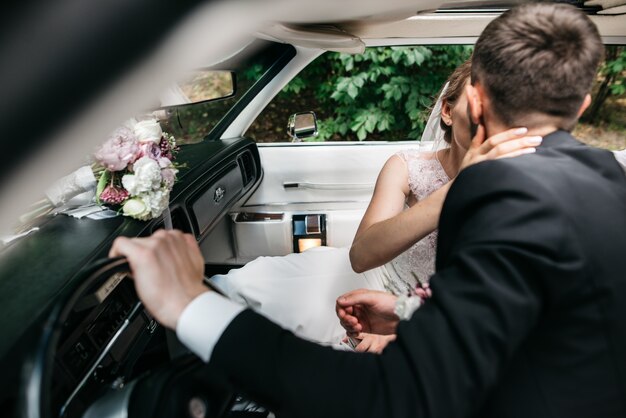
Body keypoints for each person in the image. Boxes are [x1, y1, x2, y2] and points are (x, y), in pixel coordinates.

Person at [111, 3, 626, 417]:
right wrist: (411, 314)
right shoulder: (606, 177)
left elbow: (396, 397)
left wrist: (190, 303)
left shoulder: (500, 193)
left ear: (476, 99)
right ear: (581, 106)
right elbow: (535, 300)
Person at [208, 60, 538, 351]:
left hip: (427, 313)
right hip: (370, 278)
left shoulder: (524, 185)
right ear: (449, 112)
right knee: (244, 286)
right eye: (479, 99)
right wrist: (458, 187)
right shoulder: (407, 167)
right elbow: (361, 256)